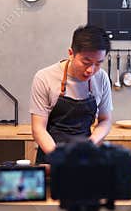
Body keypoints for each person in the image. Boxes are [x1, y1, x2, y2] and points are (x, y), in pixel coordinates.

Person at [29, 25, 113, 164]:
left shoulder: (101, 78)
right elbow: (38, 128)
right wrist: (61, 158)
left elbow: (105, 120)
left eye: (98, 63)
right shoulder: (44, 77)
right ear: (71, 53)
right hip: (52, 156)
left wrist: (90, 144)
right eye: (86, 62)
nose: (91, 70)